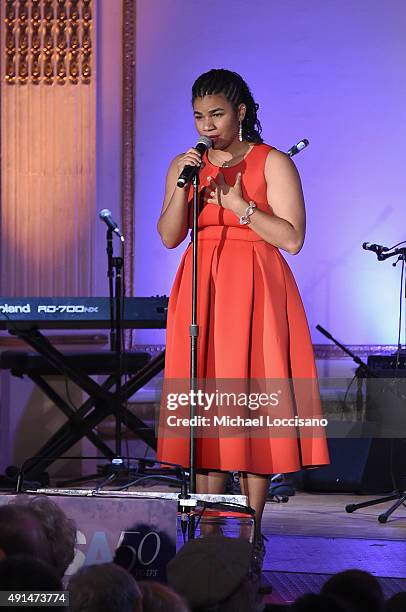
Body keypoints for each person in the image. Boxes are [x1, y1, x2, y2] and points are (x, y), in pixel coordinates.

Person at [157, 68, 329, 569]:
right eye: (198, 116)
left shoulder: (272, 161)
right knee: (208, 408)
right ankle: (209, 536)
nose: (207, 125)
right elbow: (169, 236)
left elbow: (293, 239)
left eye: (216, 114)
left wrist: (242, 207)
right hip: (200, 290)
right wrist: (183, 188)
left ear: (241, 112)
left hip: (256, 285)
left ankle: (250, 537)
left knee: (254, 408)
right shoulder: (185, 166)